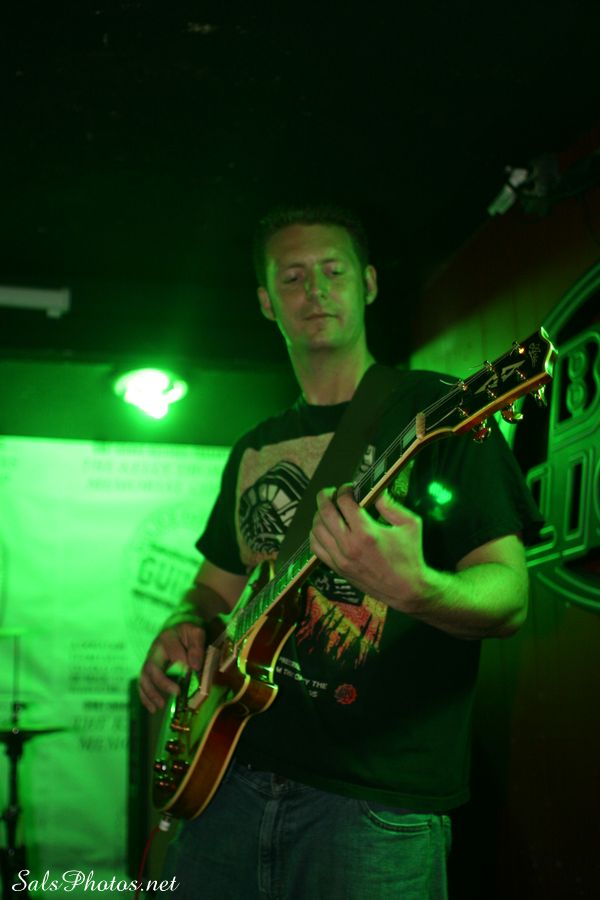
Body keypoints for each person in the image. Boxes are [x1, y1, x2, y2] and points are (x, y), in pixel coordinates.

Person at [139, 205, 541, 899]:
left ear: (370, 284)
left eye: (334, 271)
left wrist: (416, 588)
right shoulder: (255, 447)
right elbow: (212, 591)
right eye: (293, 277)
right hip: (225, 785)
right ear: (266, 302)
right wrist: (182, 622)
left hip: (373, 809)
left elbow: (509, 595)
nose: (316, 291)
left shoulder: (436, 409)